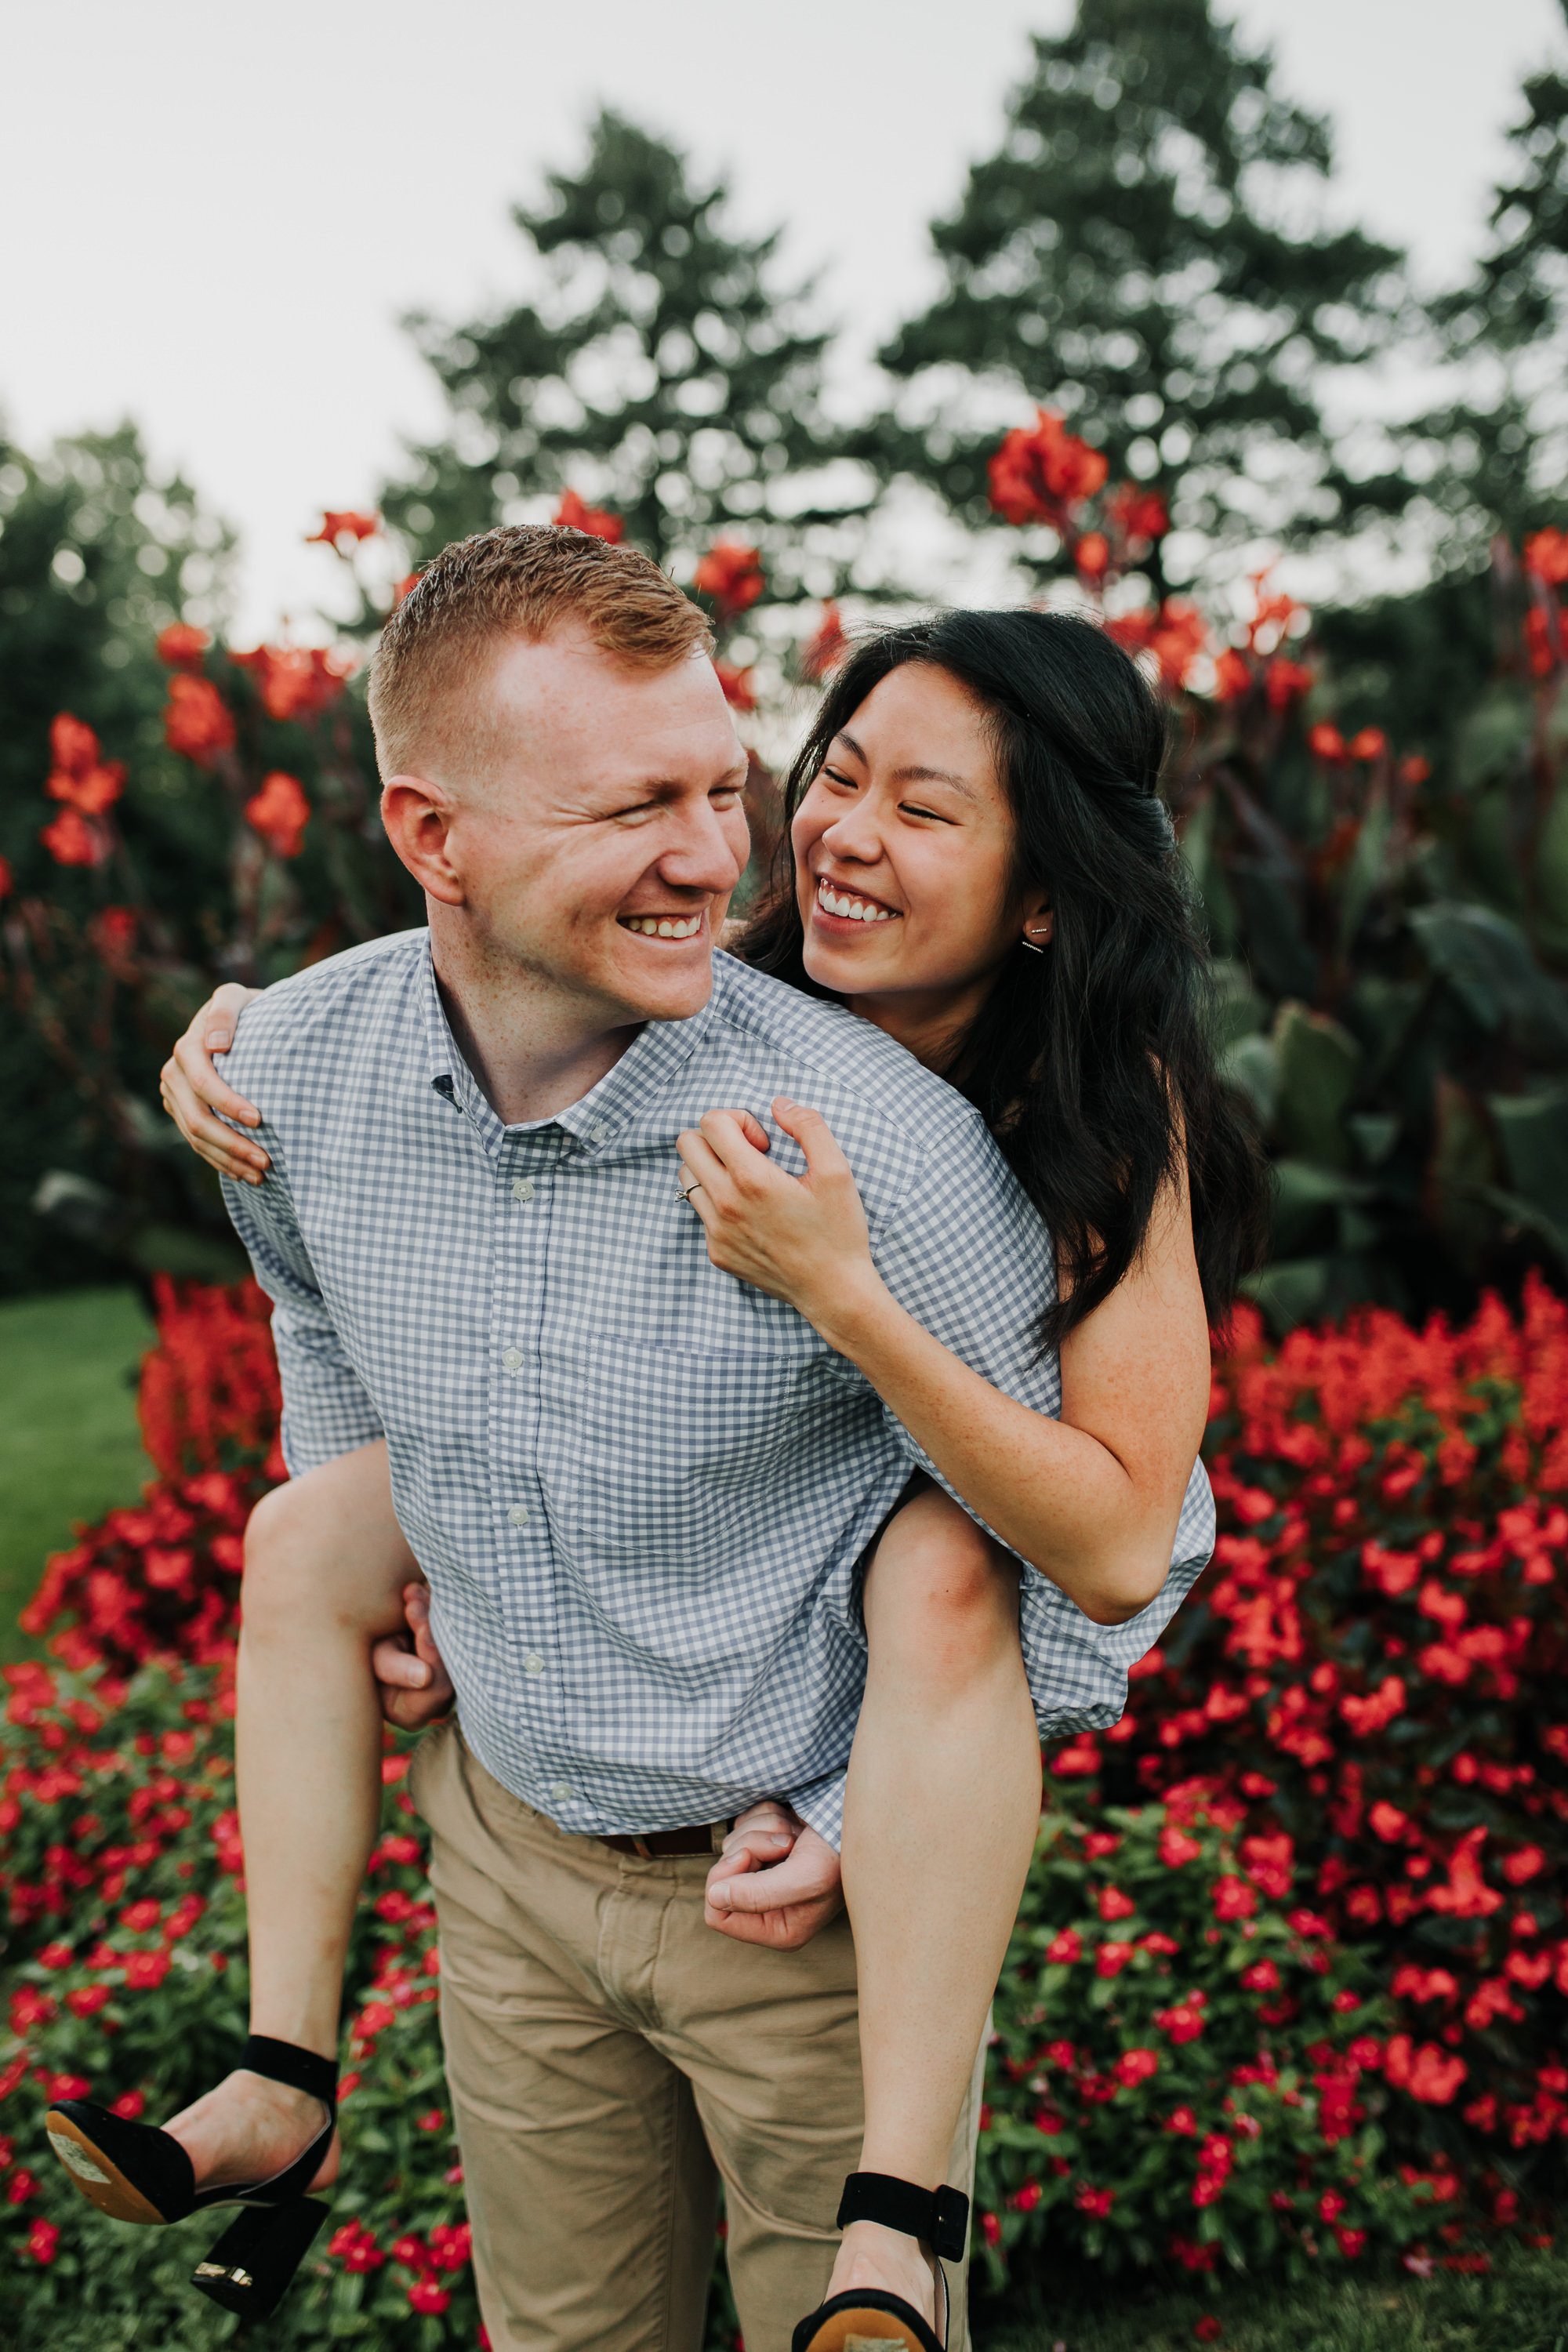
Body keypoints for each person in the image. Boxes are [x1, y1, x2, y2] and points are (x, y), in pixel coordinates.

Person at [56, 526, 1263, 2352]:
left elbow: (1116, 1550)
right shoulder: (533, 1007)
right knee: (308, 1536)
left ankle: (897, 2198)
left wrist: (867, 1799)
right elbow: (339, 1284)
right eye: (828, 774)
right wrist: (442, 1558)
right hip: (523, 1844)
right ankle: (279, 2068)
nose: (813, 840)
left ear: (1040, 895)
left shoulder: (1031, 1134)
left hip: (789, 1871)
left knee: (945, 1558)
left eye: (922, 811)